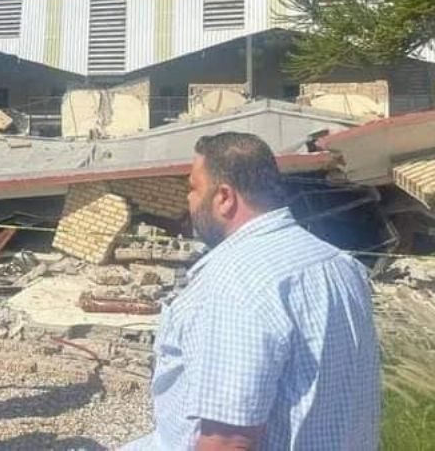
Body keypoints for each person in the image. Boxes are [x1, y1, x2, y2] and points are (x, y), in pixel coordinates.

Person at [122, 132, 380, 451]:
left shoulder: (234, 282)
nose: (187, 200)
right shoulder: (340, 264)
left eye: (193, 188)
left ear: (224, 197)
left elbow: (228, 441)